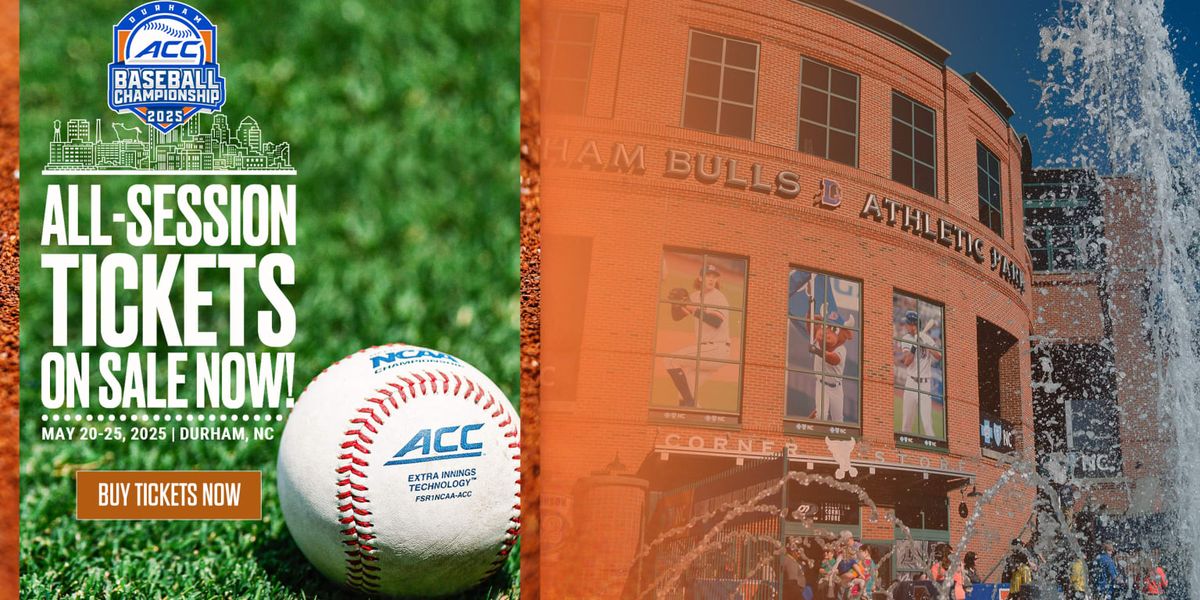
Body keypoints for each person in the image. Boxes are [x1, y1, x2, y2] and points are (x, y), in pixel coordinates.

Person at [665, 264, 731, 407]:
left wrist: (690, 307)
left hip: (716, 350)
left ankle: (690, 402)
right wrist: (674, 304)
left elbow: (716, 321)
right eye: (708, 275)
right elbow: (677, 317)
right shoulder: (695, 296)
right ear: (700, 278)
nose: (711, 279)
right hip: (708, 352)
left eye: (714, 276)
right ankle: (692, 410)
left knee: (670, 360)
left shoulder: (718, 297)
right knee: (684, 391)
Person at [896, 310, 942, 437]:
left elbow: (939, 356)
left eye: (908, 324)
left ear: (914, 325)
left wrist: (925, 344)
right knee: (906, 424)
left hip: (924, 385)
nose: (906, 326)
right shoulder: (906, 338)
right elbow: (906, 361)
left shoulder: (926, 338)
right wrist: (915, 346)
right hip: (911, 383)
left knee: (927, 424)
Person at [808, 312, 854, 423]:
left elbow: (834, 359)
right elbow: (810, 326)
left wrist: (817, 351)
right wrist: (810, 311)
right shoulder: (819, 339)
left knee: (838, 420)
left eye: (833, 328)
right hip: (822, 384)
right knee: (821, 416)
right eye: (827, 325)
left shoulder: (841, 349)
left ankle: (817, 413)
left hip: (836, 388)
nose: (827, 330)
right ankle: (817, 415)